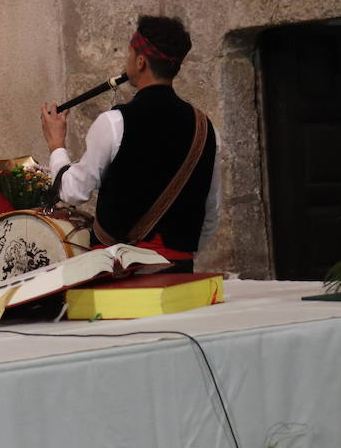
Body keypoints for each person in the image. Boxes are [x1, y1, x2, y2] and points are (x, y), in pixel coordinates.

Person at [41, 16, 219, 271]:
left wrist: (56, 144)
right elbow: (211, 211)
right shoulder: (205, 127)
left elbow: (72, 192)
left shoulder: (114, 122)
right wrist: (180, 250)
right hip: (179, 270)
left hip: (120, 273)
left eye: (129, 53)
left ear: (140, 61)